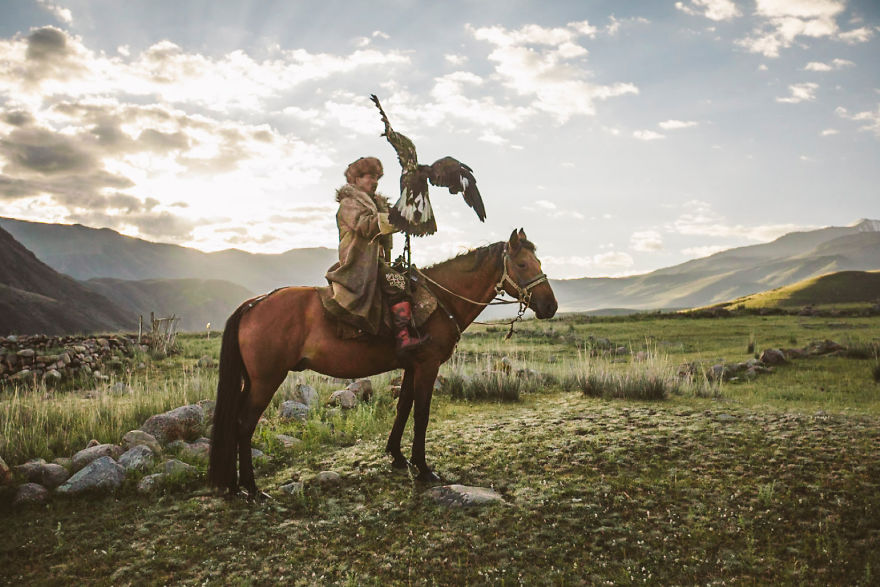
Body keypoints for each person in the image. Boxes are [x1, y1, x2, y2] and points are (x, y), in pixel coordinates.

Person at [324, 156, 428, 354]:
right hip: (359, 265)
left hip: (376, 262)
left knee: (412, 278)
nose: (375, 182)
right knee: (398, 283)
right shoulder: (349, 203)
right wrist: (399, 218)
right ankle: (403, 339)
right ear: (355, 179)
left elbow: (388, 221)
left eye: (377, 179)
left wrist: (410, 218)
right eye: (369, 177)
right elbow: (367, 225)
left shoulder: (376, 205)